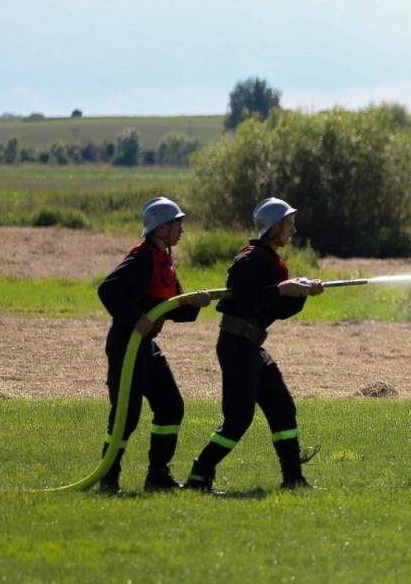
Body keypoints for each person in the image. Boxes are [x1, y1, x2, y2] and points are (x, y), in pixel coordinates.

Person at [185, 197, 324, 491]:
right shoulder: (249, 260)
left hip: (252, 347)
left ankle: (294, 479)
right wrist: (280, 289)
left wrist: (300, 295)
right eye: (289, 224)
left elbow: (274, 310)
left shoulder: (273, 262)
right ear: (274, 227)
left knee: (282, 408)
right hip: (236, 345)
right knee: (238, 420)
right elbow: (246, 300)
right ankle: (199, 475)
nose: (293, 230)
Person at [96, 196, 212, 493]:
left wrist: (196, 303)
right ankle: (108, 478)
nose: (182, 231)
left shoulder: (164, 261)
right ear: (161, 228)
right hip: (127, 343)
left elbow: (178, 310)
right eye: (177, 224)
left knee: (170, 406)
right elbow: (108, 290)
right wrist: (136, 318)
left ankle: (157, 475)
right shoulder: (143, 257)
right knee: (126, 413)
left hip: (146, 346)